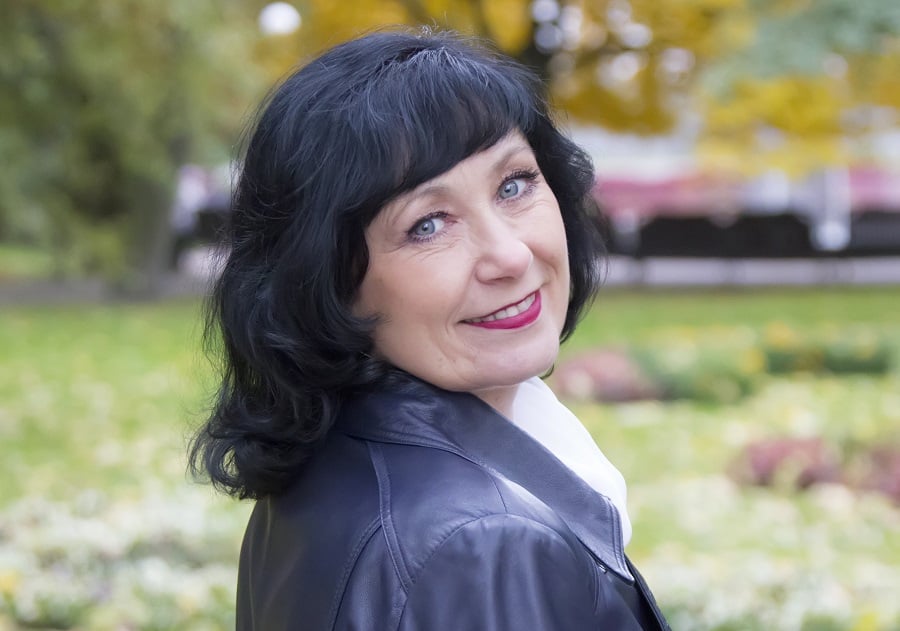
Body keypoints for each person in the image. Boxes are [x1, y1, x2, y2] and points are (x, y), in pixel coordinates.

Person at [190, 28, 670, 631]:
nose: (510, 255)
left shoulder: (332, 461)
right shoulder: (480, 546)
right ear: (328, 280)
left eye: (514, 185)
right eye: (428, 224)